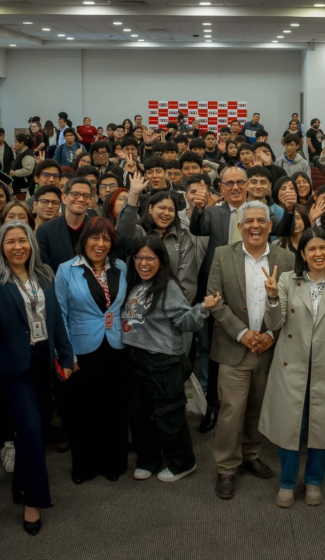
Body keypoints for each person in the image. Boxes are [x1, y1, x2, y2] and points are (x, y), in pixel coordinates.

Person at [0, 221, 74, 535]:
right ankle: (34, 502)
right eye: (10, 242)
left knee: (38, 429)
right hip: (11, 366)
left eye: (23, 241)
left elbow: (56, 318)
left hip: (42, 361)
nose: (17, 247)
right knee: (30, 430)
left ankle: (20, 483)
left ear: (31, 244)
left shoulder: (45, 274)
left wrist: (67, 355)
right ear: (0, 247)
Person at [260, 227, 325, 507]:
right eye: (311, 249)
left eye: (323, 248)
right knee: (289, 425)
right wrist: (273, 296)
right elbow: (275, 324)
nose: (318, 254)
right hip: (292, 363)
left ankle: (315, 481)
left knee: (321, 426)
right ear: (302, 253)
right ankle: (287, 483)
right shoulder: (288, 280)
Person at [206, 201, 295, 500]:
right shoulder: (222, 255)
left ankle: (250, 453)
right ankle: (227, 467)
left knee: (258, 407)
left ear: (270, 226)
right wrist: (242, 334)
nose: (255, 226)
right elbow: (214, 299)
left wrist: (271, 335)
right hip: (235, 347)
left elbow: (291, 305)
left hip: (270, 348)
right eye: (249, 221)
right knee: (231, 411)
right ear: (240, 226)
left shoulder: (286, 258)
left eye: (261, 221)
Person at [123, 234, 220, 482]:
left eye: (150, 258)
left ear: (161, 260)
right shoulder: (132, 282)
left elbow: (184, 322)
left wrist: (202, 309)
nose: (144, 263)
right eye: (139, 257)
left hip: (163, 362)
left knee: (169, 416)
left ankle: (182, 463)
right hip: (135, 360)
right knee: (139, 416)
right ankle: (148, 460)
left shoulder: (169, 286)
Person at [54, 217, 129, 484]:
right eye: (94, 238)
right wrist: (66, 354)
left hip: (115, 346)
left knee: (113, 408)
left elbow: (122, 308)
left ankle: (113, 463)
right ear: (84, 240)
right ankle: (84, 465)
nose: (100, 244)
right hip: (81, 349)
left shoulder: (120, 267)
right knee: (82, 410)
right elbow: (60, 314)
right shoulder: (66, 270)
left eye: (106, 239)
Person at [119, 173, 204, 302]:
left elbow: (187, 281)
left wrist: (173, 308)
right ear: (150, 208)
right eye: (162, 208)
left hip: (171, 307)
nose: (166, 213)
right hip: (137, 305)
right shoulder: (140, 232)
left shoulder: (182, 237)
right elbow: (123, 231)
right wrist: (133, 194)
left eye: (171, 210)